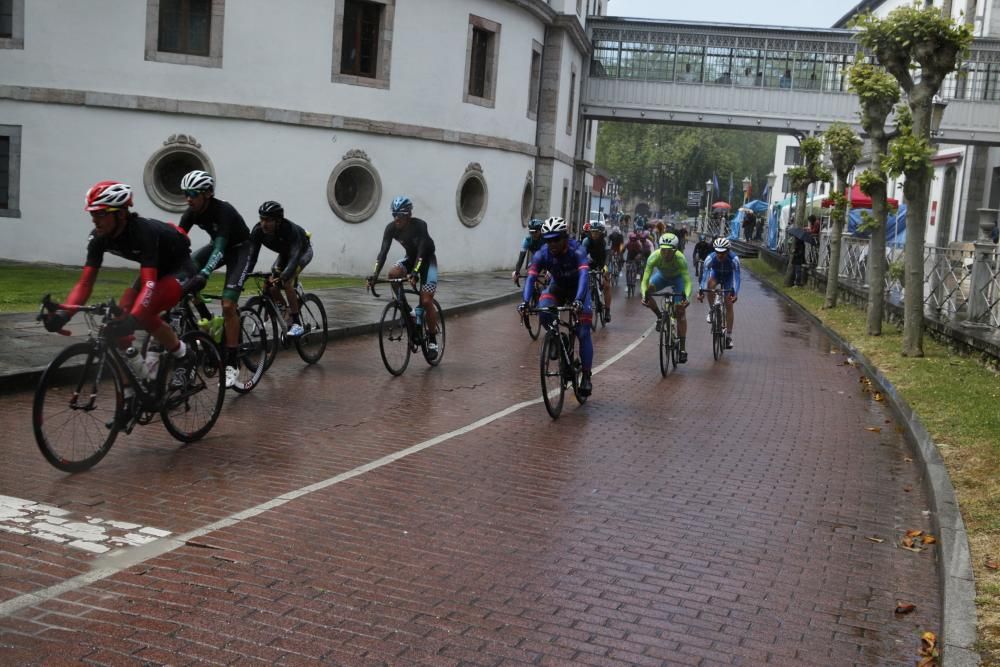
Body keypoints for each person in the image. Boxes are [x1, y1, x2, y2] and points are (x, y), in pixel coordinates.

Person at [41, 181, 196, 424]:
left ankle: (183, 354)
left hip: (179, 269)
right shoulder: (98, 237)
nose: (95, 220)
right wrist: (63, 314)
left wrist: (133, 319)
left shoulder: (142, 231)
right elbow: (84, 284)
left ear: (121, 214)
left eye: (101, 214)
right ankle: (133, 394)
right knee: (115, 325)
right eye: (93, 214)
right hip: (154, 270)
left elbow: (149, 285)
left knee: (142, 314)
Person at [178, 170, 253, 388]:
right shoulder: (191, 212)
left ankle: (232, 362)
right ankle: (204, 322)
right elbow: (177, 241)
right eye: (185, 193)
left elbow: (220, 247)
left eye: (193, 193)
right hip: (217, 246)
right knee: (182, 278)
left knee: (228, 305)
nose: (188, 198)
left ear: (207, 194)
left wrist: (205, 273)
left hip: (239, 250)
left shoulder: (223, 211)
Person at [518, 217, 593, 396]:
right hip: (557, 287)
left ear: (565, 237)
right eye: (548, 239)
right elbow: (531, 278)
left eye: (556, 239)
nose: (552, 243)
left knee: (583, 332)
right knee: (544, 310)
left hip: (578, 289)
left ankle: (586, 375)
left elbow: (584, 276)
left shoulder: (577, 250)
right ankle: (559, 340)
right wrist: (525, 302)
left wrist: (579, 300)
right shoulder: (542, 254)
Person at [366, 196, 440, 359]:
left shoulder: (420, 226)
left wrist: (414, 273)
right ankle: (408, 312)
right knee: (393, 274)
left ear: (408, 215)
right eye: (394, 215)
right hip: (410, 258)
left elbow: (421, 252)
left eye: (400, 215)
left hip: (427, 261)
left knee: (426, 301)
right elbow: (382, 253)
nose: (396, 219)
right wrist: (374, 274)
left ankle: (433, 339)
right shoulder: (391, 228)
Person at [248, 201, 314, 337]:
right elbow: (251, 258)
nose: (264, 224)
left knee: (286, 281)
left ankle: (297, 324)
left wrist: (285, 275)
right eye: (261, 219)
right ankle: (287, 315)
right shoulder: (257, 231)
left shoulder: (289, 229)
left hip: (302, 252)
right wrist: (243, 275)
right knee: (272, 286)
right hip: (285, 254)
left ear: (278, 221)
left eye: (268, 220)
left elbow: (295, 256)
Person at [640, 233, 692, 363]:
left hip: (678, 279)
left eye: (669, 251)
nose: (665, 254)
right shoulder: (654, 257)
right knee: (648, 290)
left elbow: (687, 281)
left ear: (675, 250)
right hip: (662, 277)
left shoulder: (680, 259)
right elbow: (645, 279)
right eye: (663, 250)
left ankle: (682, 348)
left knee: (680, 310)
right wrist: (644, 295)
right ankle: (659, 316)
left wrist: (686, 297)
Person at [698, 237, 741, 350]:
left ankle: (728, 337)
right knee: (710, 285)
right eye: (717, 252)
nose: (720, 255)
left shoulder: (734, 259)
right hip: (716, 275)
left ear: (728, 251)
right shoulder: (710, 258)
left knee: (729, 304)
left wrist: (735, 293)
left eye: (723, 252)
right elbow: (704, 276)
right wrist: (701, 290)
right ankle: (712, 310)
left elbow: (737, 277)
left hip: (728, 277)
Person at [582, 220, 612, 323]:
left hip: (603, 263)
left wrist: (605, 269)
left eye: (597, 232)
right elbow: (581, 256)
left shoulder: (605, 241)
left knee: (606, 285)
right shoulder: (586, 241)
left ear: (601, 233)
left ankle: (607, 310)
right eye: (593, 232)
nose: (594, 234)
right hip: (590, 263)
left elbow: (608, 256)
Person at [791, 222, 808, 287]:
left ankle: (797, 283)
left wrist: (795, 252)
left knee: (798, 271)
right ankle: (796, 282)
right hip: (798, 259)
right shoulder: (800, 244)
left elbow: (800, 252)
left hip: (798, 259)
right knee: (797, 271)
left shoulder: (800, 244)